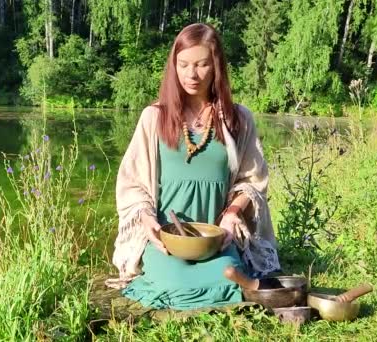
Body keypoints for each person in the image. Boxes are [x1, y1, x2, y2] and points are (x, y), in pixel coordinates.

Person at [105, 23, 280, 310]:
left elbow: (254, 180)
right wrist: (147, 221)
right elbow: (132, 182)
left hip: (216, 240)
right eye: (183, 64)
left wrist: (232, 214)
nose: (191, 74)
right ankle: (166, 275)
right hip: (166, 240)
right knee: (173, 285)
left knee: (230, 281)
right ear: (174, 65)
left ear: (217, 67)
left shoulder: (239, 119)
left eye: (202, 64)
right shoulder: (154, 117)